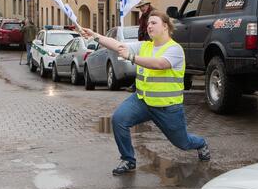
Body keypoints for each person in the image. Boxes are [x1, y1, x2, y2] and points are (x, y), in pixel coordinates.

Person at [80, 10, 211, 176]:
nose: (149, 26)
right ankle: (128, 159)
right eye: (148, 23)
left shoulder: (175, 49)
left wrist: (132, 57)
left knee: (183, 143)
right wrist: (95, 36)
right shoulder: (145, 46)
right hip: (142, 101)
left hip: (167, 107)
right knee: (119, 119)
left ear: (165, 26)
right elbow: (117, 45)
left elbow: (159, 64)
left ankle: (201, 144)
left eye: (153, 23)